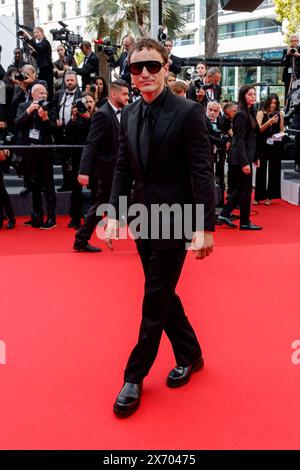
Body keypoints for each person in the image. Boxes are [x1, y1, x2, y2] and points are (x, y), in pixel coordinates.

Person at [105, 38, 215, 417]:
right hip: (142, 219)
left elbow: (203, 172)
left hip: (177, 219)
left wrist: (205, 226)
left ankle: (133, 376)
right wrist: (115, 214)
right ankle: (191, 353)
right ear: (131, 75)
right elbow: (122, 166)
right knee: (164, 293)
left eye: (152, 65)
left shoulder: (189, 112)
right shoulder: (130, 113)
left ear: (166, 67)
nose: (145, 74)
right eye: (137, 68)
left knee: (154, 298)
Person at [74, 80, 129, 252]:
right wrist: (84, 171)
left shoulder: (125, 112)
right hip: (107, 170)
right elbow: (91, 144)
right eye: (124, 94)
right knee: (102, 205)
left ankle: (81, 240)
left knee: (123, 203)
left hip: (121, 169)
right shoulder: (102, 114)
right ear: (114, 94)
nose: (128, 97)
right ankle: (81, 240)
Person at [218, 85, 262, 231]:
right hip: (239, 158)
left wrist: (254, 157)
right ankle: (244, 222)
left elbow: (252, 137)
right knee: (245, 190)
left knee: (241, 189)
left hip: (244, 156)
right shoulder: (241, 114)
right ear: (243, 96)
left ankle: (226, 215)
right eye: (250, 94)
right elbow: (240, 140)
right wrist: (245, 162)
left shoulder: (249, 112)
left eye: (254, 94)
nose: (253, 96)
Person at [15, 84, 57, 229]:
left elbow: (53, 130)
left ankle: (52, 218)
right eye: (41, 93)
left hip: (45, 151)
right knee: (34, 186)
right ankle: (36, 217)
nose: (44, 95)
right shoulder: (23, 105)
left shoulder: (49, 106)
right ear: (33, 95)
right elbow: (17, 124)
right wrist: (29, 111)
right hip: (29, 152)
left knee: (49, 186)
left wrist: (45, 119)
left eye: (46, 92)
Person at [254, 93, 284, 205]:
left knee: (274, 170)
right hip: (262, 144)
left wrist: (279, 136)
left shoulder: (279, 114)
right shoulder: (261, 113)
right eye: (271, 102)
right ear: (267, 102)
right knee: (261, 169)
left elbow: (281, 130)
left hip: (275, 144)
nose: (273, 105)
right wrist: (269, 122)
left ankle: (270, 196)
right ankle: (258, 196)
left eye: (275, 103)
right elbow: (258, 130)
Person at [20, 27, 54, 100]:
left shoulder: (45, 42)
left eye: (37, 32)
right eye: (34, 32)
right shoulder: (41, 43)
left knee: (48, 90)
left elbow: (40, 49)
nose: (35, 34)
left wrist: (30, 40)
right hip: (42, 69)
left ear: (42, 32)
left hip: (47, 70)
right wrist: (32, 51)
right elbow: (39, 57)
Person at [282, 34, 300, 101]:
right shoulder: (286, 50)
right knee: (287, 94)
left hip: (297, 76)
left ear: (298, 41)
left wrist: (298, 55)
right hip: (288, 77)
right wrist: (287, 54)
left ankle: (294, 108)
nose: (294, 42)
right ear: (290, 42)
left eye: (296, 41)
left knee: (296, 95)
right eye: (292, 41)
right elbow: (282, 62)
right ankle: (286, 108)